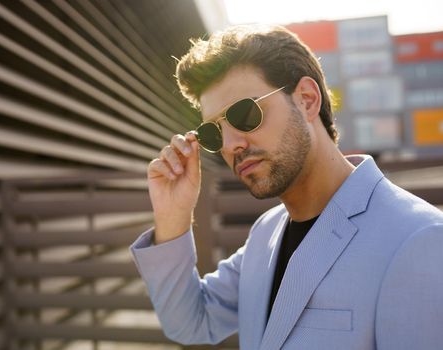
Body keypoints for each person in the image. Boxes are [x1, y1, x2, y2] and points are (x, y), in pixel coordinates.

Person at [130, 25, 443, 350]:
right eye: (214, 133)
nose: (232, 145)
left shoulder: (418, 240)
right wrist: (173, 217)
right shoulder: (265, 234)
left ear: (307, 100)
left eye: (244, 113)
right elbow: (189, 322)